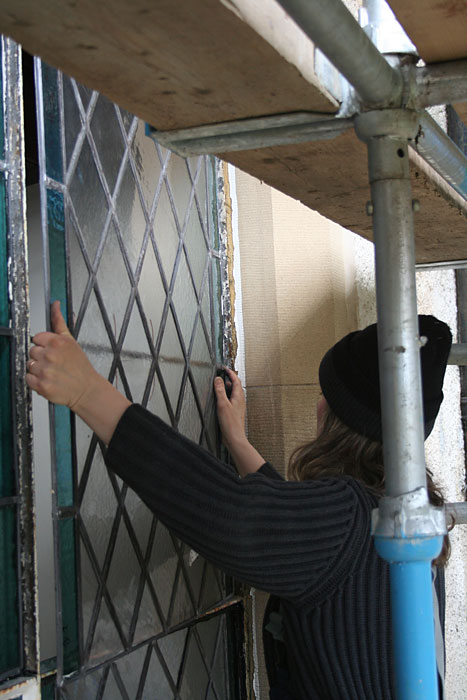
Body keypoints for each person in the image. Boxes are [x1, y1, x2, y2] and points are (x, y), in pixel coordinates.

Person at [27, 302, 452, 700]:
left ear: (348, 423)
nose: (320, 404)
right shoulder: (415, 527)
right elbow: (293, 530)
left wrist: (87, 392)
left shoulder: (351, 521)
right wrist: (238, 442)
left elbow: (232, 517)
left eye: (331, 398)